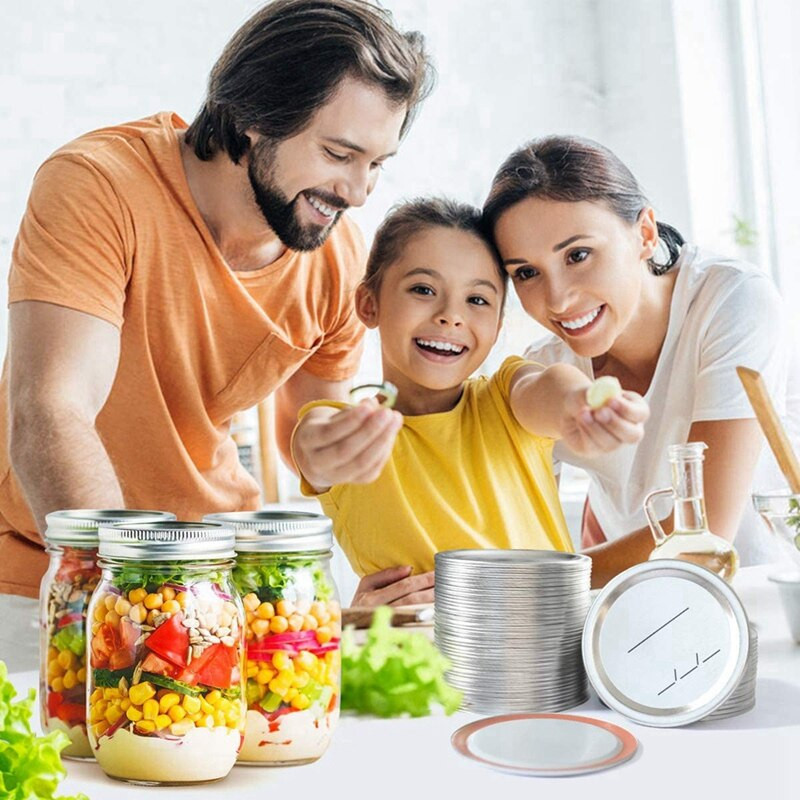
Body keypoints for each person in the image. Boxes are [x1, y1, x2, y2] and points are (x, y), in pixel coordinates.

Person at [0, 0, 433, 670]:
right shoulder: (98, 186)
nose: (359, 191)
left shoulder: (339, 255)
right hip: (51, 583)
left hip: (219, 586)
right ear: (253, 117)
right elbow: (51, 410)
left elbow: (304, 436)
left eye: (378, 162)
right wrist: (142, 610)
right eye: (339, 153)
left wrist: (325, 457)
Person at [291, 198, 649, 606]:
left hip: (541, 658)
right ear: (369, 304)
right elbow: (313, 443)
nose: (450, 316)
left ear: (497, 327)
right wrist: (356, 622)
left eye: (477, 300)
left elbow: (550, 386)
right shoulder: (342, 427)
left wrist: (582, 404)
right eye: (423, 289)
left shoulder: (506, 401)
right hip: (417, 660)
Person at [483, 135, 800, 587]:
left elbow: (700, 539)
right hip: (641, 617)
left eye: (578, 255)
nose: (557, 299)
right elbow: (514, 539)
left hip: (765, 601)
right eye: (526, 273)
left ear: (645, 233)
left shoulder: (730, 301)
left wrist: (544, 577)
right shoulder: (548, 372)